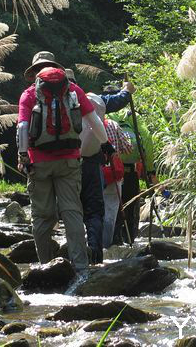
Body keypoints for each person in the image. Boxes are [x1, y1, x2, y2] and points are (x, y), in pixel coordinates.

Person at [16, 52, 106, 271]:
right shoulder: (74, 90)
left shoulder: (28, 95)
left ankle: (46, 266)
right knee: (72, 213)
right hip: (69, 161)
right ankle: (81, 268)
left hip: (39, 163)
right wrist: (106, 145)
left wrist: (23, 156)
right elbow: (94, 121)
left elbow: (22, 128)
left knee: (42, 217)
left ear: (35, 72)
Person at [103, 85, 157, 245]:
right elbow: (146, 140)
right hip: (130, 171)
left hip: (108, 171)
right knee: (131, 208)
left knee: (110, 208)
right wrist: (149, 170)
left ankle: (111, 243)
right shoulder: (131, 115)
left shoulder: (100, 114)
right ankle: (131, 244)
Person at [77, 87, 107, 265]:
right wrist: (126, 92)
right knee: (94, 212)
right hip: (91, 164)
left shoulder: (38, 98)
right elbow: (119, 100)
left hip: (63, 165)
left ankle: (76, 256)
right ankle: (95, 254)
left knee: (70, 211)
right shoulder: (91, 100)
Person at [100, 115, 131, 248]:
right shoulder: (113, 124)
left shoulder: (84, 122)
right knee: (110, 211)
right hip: (113, 173)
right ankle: (105, 245)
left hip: (92, 173)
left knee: (92, 210)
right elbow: (128, 149)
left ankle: (93, 243)